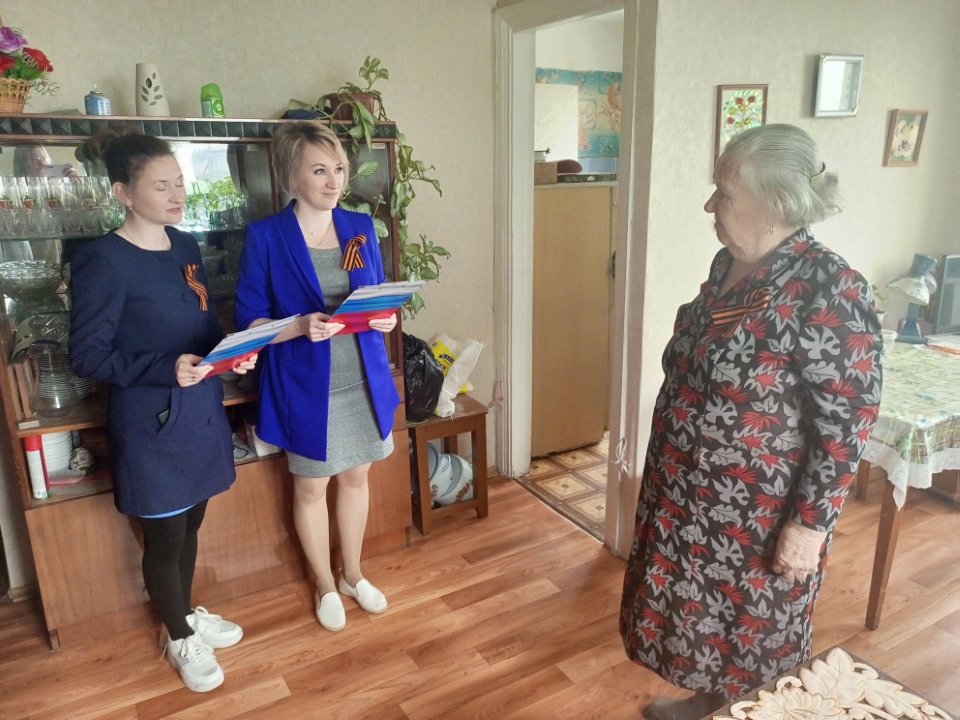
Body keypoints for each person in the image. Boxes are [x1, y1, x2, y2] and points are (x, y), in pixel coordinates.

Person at [619, 124, 882, 720]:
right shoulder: (728, 265)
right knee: (699, 627)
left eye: (725, 192)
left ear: (777, 204)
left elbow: (847, 425)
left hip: (757, 515)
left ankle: (741, 708)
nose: (710, 204)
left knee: (750, 641)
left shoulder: (831, 289)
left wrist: (809, 527)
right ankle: (709, 703)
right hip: (690, 500)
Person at [70, 128, 255, 693]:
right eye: (161, 186)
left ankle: (186, 612)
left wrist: (233, 350)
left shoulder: (185, 246)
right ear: (123, 193)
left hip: (199, 409)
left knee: (192, 519)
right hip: (150, 419)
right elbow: (87, 354)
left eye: (179, 182)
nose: (177, 195)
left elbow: (200, 324)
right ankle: (177, 636)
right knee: (166, 536)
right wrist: (162, 367)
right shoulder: (103, 259)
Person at [235, 121, 399, 633]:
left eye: (340, 170)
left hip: (362, 379)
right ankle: (324, 584)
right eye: (320, 170)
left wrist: (384, 317)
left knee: (357, 478)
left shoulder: (359, 226)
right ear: (292, 176)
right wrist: (299, 326)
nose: (334, 182)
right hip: (306, 387)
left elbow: (373, 292)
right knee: (311, 489)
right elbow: (250, 321)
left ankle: (353, 574)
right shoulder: (266, 237)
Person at [13, 145, 79, 177]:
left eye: (44, 158)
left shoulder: (57, 183)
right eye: (35, 159)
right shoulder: (18, 188)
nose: (42, 164)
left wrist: (75, 183)